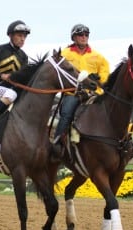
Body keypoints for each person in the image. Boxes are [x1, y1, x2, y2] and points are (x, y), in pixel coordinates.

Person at [52, 23, 110, 159]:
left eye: (86, 35)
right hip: (73, 93)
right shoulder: (64, 54)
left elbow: (106, 75)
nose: (84, 37)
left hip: (94, 94)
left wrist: (99, 78)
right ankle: (57, 144)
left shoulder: (98, 56)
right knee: (66, 113)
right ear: (74, 37)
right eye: (80, 35)